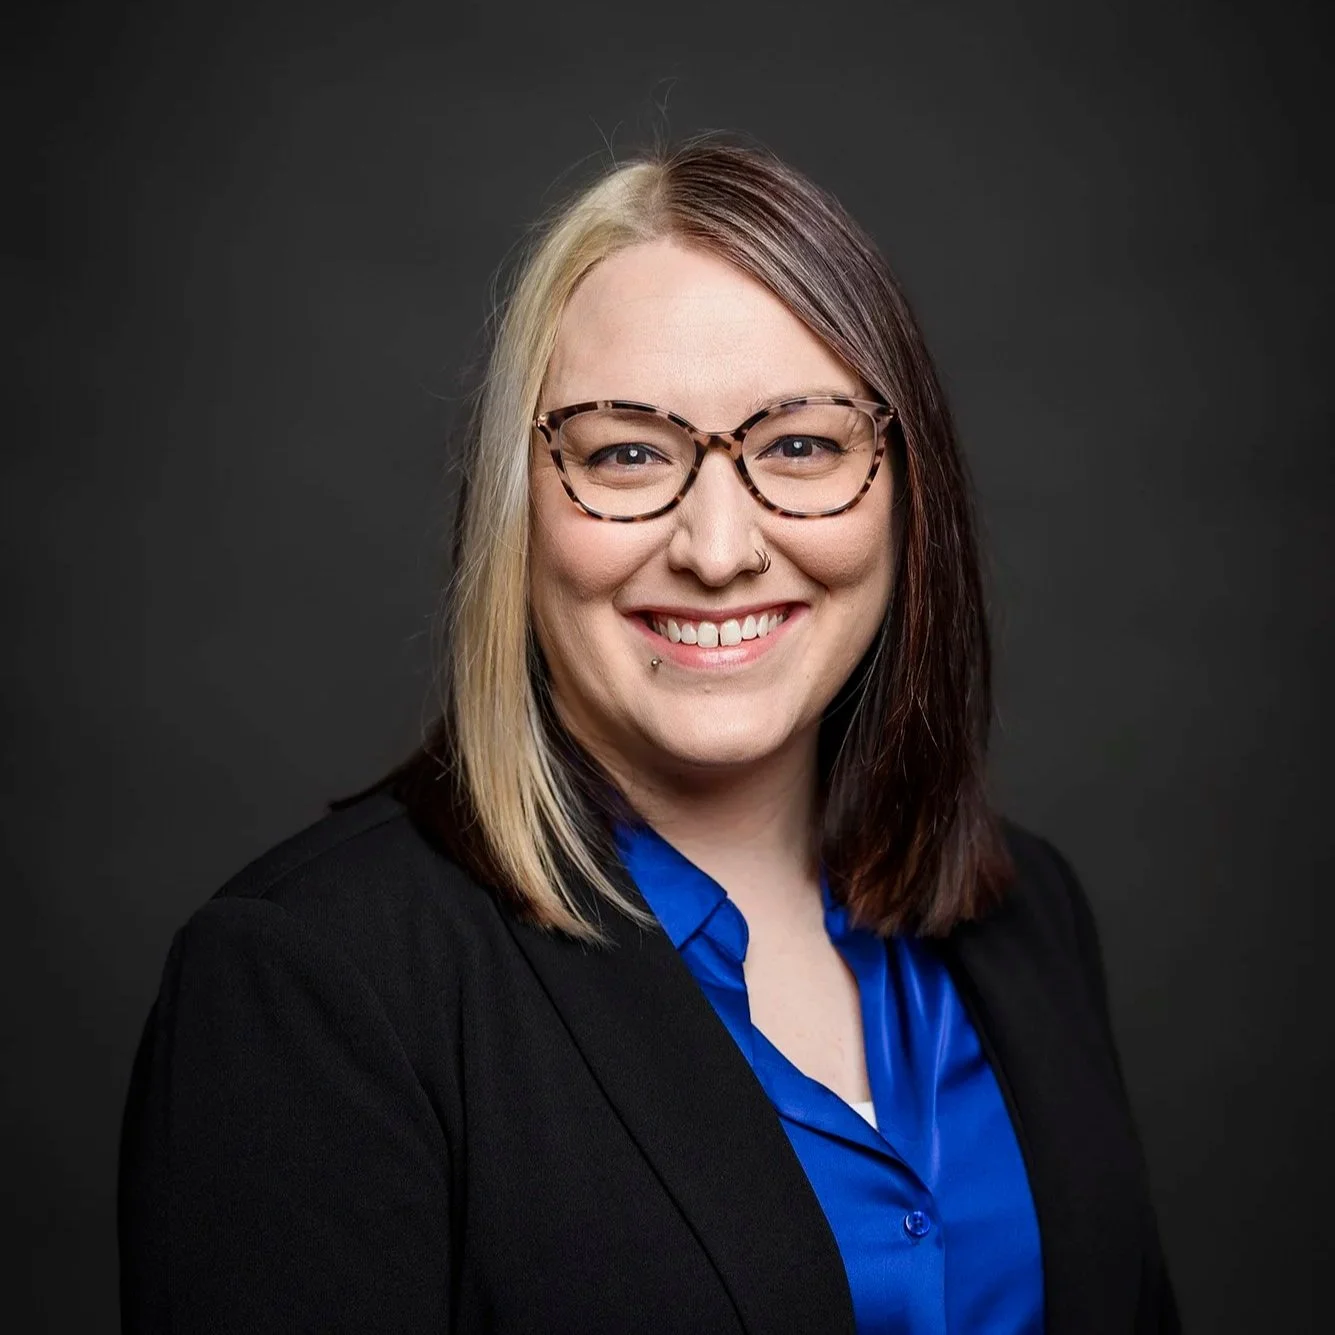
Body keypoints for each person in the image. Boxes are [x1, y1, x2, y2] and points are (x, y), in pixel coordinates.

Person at [118, 138, 1179, 1334]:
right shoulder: (310, 985)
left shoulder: (1031, 915)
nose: (718, 550)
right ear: (518, 503)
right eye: (627, 454)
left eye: (801, 444)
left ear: (904, 480)